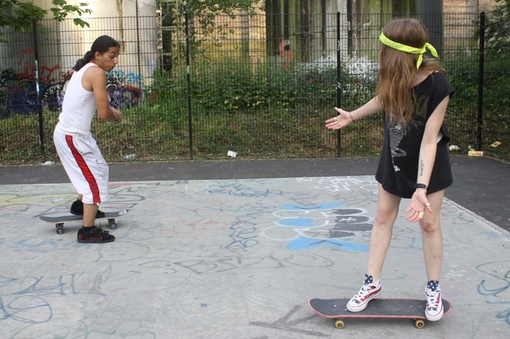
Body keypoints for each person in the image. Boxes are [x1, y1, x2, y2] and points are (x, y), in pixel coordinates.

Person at [326, 18, 454, 321]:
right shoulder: (394, 75)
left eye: (384, 48)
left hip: (429, 166)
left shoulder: (438, 84)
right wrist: (353, 116)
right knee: (383, 216)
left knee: (429, 225)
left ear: (395, 52)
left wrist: (421, 188)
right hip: (394, 160)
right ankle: (371, 283)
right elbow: (384, 99)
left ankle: (433, 289)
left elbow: (429, 140)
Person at [53, 35, 122, 243]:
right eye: (112, 56)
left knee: (100, 169)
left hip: (76, 135)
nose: (115, 61)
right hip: (72, 136)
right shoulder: (97, 72)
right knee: (93, 183)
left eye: (117, 56)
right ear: (98, 55)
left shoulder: (84, 70)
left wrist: (109, 109)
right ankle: (87, 230)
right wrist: (114, 115)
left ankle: (80, 206)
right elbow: (103, 113)